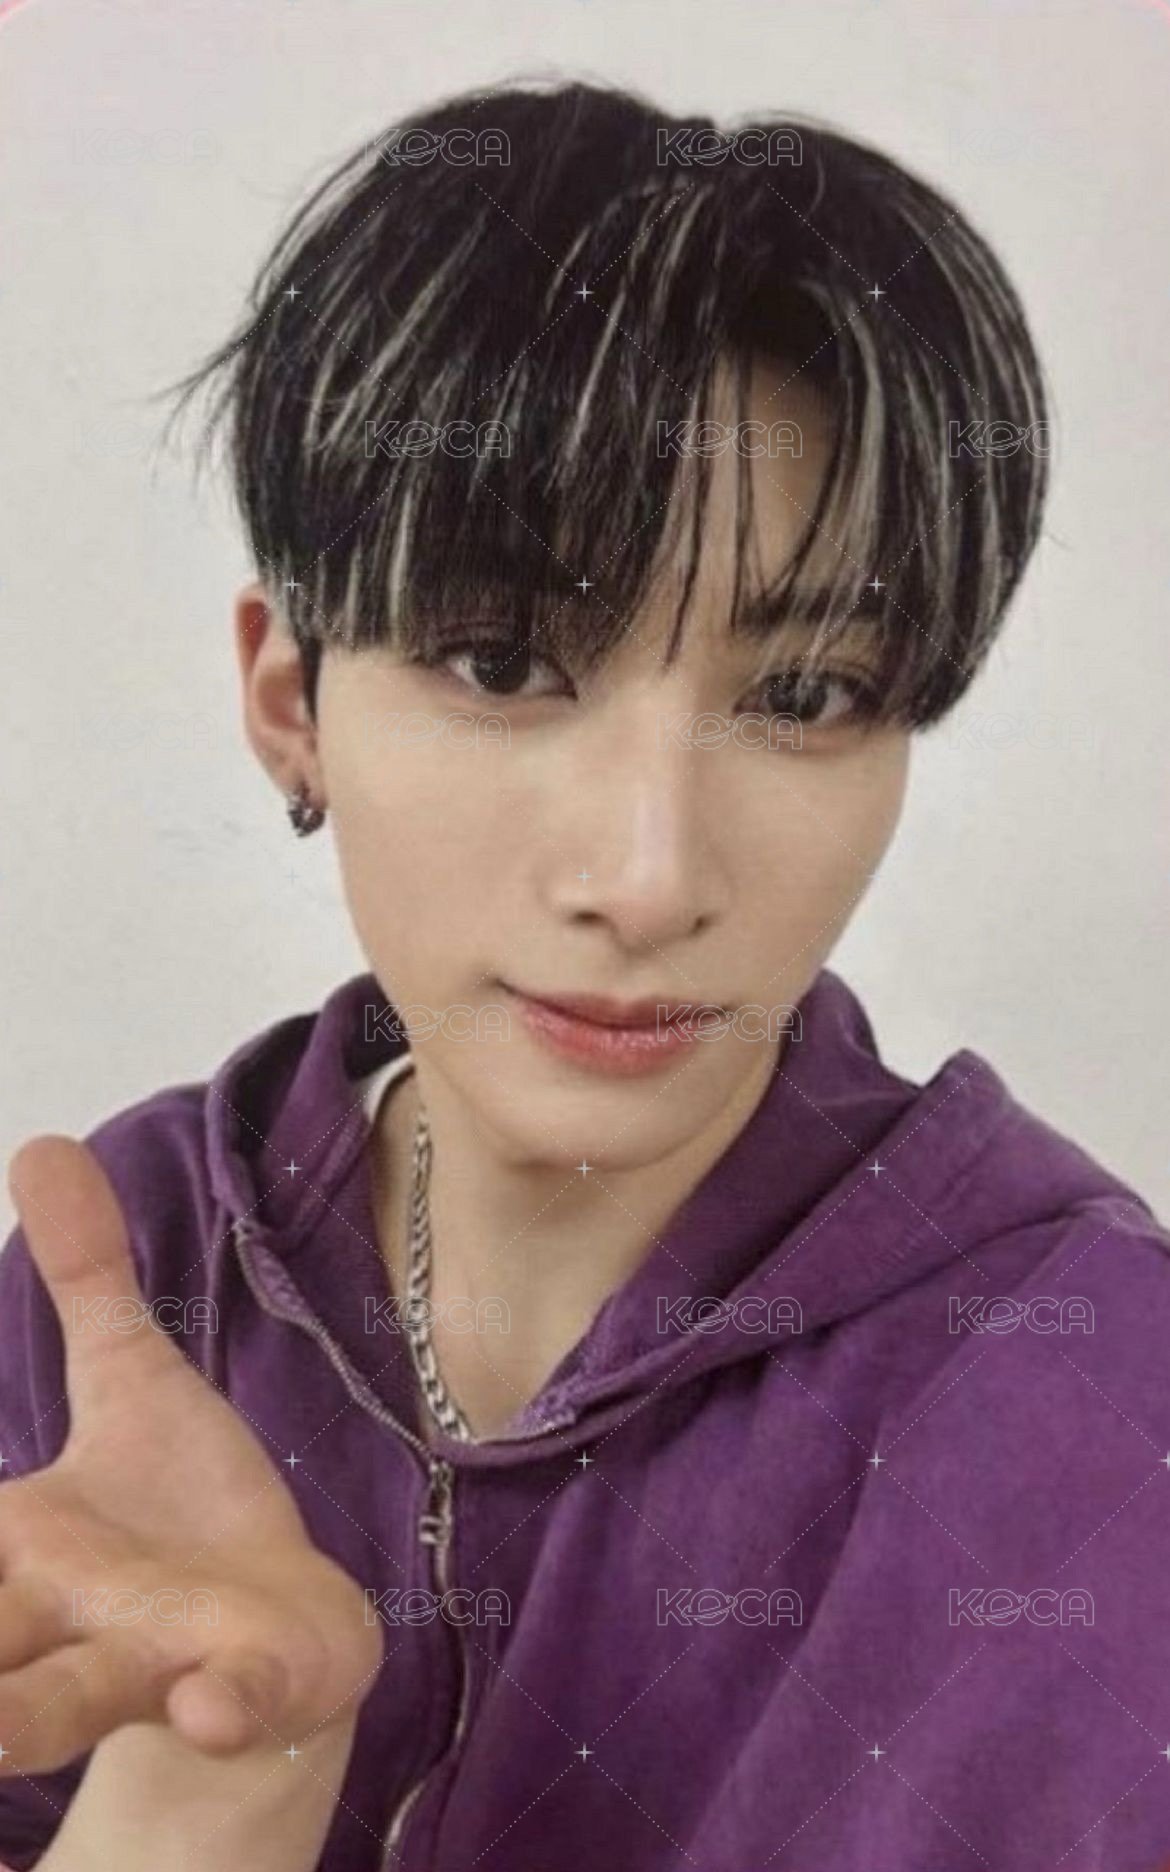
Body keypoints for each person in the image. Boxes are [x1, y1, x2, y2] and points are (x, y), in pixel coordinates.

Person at [1, 76, 1167, 1872]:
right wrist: (216, 1777)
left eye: (803, 696)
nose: (647, 878)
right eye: (499, 663)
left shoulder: (1080, 1403)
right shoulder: (134, 1285)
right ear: (291, 702)